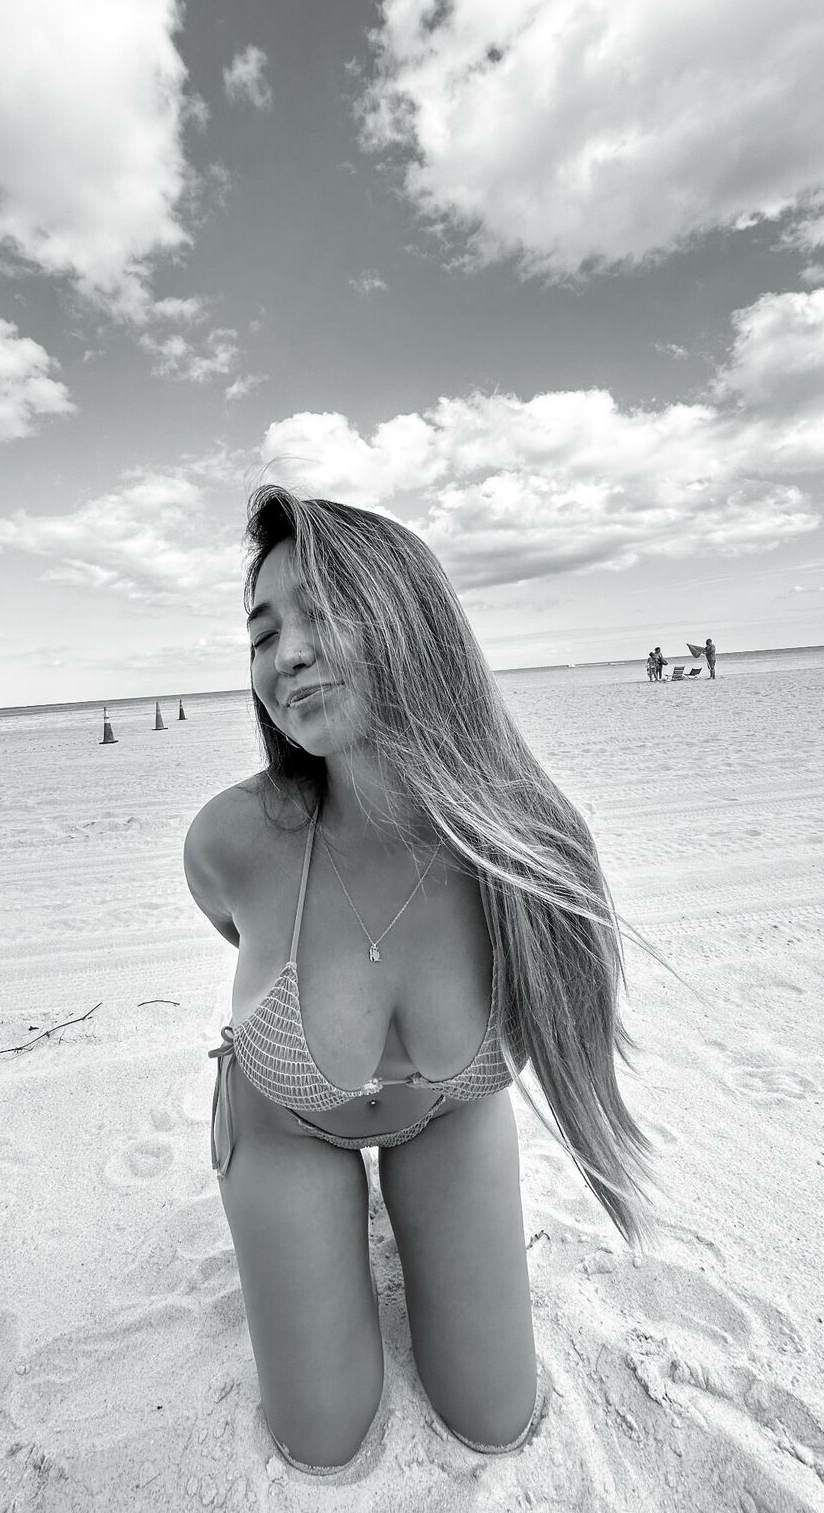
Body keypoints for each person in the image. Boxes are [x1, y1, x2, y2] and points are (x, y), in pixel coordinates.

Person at [184, 484, 661, 1476]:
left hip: (447, 1114)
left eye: (322, 613)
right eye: (263, 633)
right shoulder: (233, 840)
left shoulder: (528, 850)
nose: (287, 654)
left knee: (495, 1415)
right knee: (323, 1440)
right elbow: (236, 927)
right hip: (286, 1124)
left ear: (413, 619)